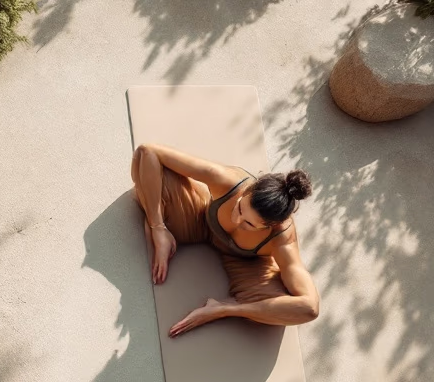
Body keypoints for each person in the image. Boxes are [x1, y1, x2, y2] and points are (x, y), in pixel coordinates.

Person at [131, 143, 320, 337]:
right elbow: (148, 151)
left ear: (270, 226)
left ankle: (226, 308)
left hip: (246, 262)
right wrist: (158, 228)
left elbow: (310, 306)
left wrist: (223, 310)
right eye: (239, 208)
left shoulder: (283, 240)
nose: (236, 220)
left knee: (287, 309)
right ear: (248, 191)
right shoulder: (229, 181)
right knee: (145, 170)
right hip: (201, 220)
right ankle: (162, 224)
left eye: (249, 224)